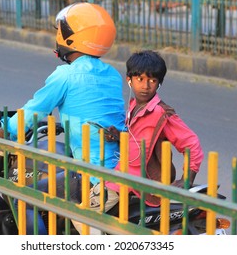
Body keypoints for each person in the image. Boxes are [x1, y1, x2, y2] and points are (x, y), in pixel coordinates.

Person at [0, 2, 126, 234]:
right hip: (122, 167)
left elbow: (34, 111)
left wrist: (4, 127)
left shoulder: (65, 75)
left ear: (71, 37)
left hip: (93, 174)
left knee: (23, 197)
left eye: (59, 31)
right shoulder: (113, 75)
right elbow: (92, 113)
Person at [72, 50, 204, 234]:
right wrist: (120, 136)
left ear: (159, 84)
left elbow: (192, 144)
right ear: (129, 80)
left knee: (80, 216)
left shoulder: (160, 113)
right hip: (121, 176)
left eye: (152, 81)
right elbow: (141, 142)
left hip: (129, 182)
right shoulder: (135, 106)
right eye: (140, 79)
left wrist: (187, 179)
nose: (146, 86)